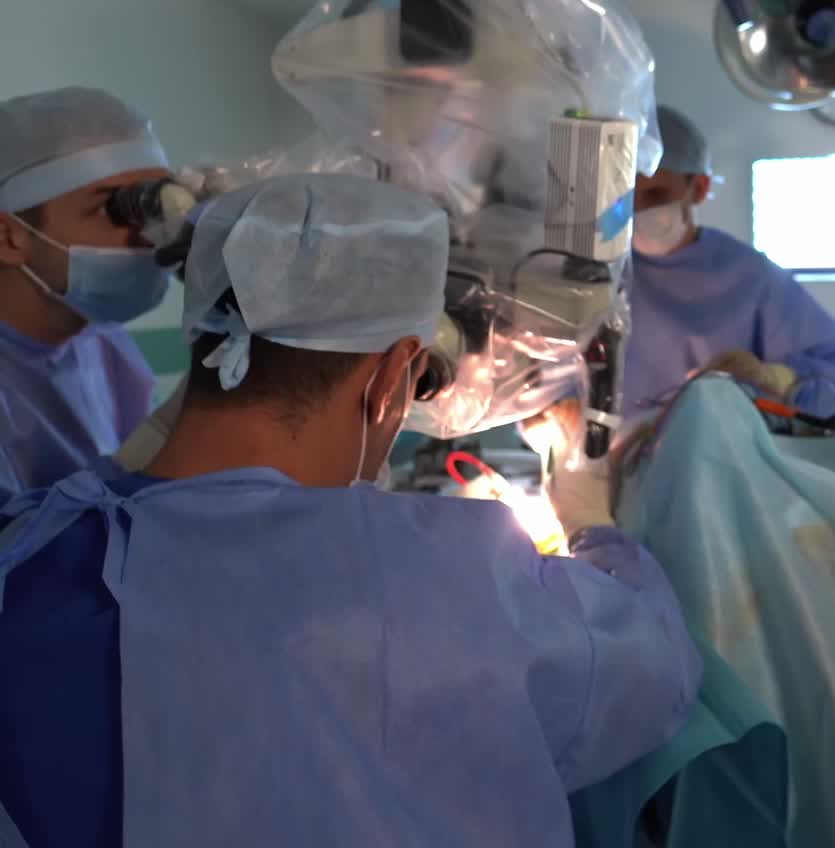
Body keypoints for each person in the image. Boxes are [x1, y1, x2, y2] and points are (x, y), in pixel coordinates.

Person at [0, 173, 700, 847]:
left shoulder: (31, 557)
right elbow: (656, 665)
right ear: (394, 376)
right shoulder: (463, 583)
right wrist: (591, 519)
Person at [624, 104, 835, 420]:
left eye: (655, 195)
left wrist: (775, 378)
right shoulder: (602, 273)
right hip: (613, 460)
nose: (638, 209)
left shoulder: (749, 276)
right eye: (628, 196)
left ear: (699, 188)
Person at [0, 87, 171, 494]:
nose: (150, 235)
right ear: (8, 237)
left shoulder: (104, 341)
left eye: (155, 205)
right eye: (113, 208)